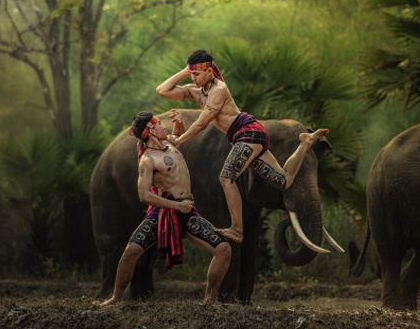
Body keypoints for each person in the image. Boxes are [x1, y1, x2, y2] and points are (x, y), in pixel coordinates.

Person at [156, 49, 329, 244]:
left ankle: (237, 229)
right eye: (192, 74)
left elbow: (201, 123)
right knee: (284, 181)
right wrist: (186, 71)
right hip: (248, 136)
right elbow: (162, 90)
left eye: (197, 74)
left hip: (249, 134)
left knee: (226, 178)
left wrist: (179, 140)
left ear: (210, 72)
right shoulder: (197, 92)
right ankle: (305, 144)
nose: (194, 78)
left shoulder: (218, 90)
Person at [99, 109, 231, 306]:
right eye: (159, 124)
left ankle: (209, 300)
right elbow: (144, 195)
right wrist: (176, 206)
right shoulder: (148, 159)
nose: (163, 126)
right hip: (163, 214)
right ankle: (115, 298)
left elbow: (178, 135)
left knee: (223, 249)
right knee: (130, 253)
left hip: (187, 211)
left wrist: (178, 122)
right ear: (151, 130)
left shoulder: (169, 142)